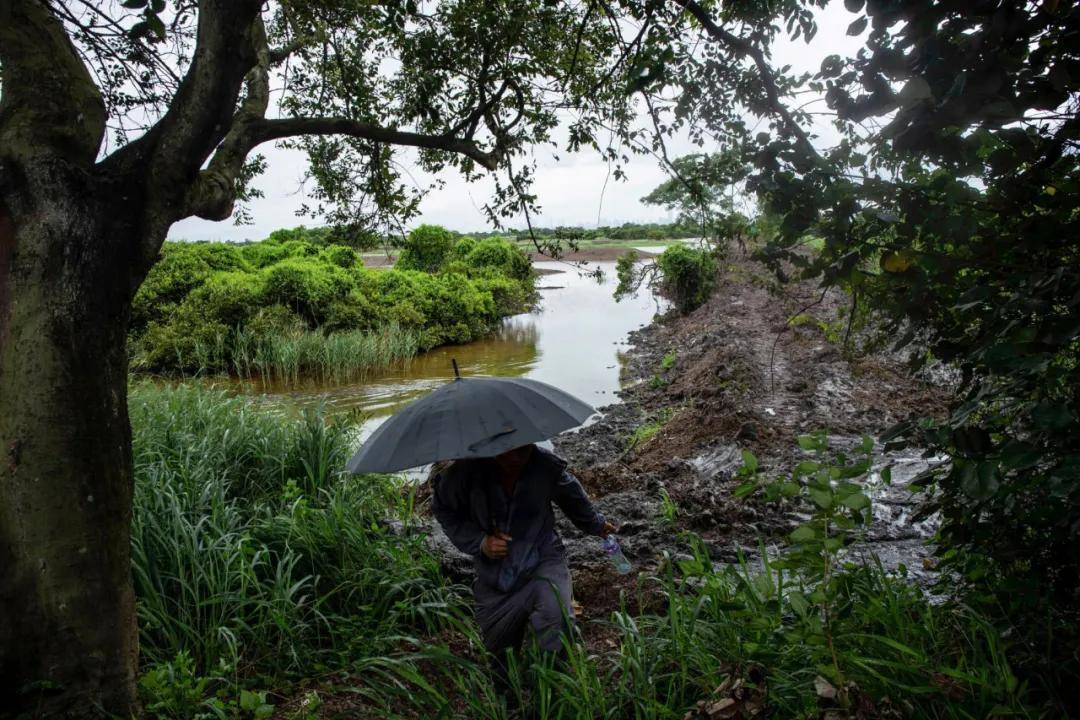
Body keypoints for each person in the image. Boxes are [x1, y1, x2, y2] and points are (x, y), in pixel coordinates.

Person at [430, 442, 614, 690]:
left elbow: (574, 500)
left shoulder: (545, 466)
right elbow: (444, 510)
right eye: (506, 449)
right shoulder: (464, 474)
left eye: (523, 449)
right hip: (494, 576)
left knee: (557, 616)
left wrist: (598, 526)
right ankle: (510, 698)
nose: (516, 457)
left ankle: (550, 690)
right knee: (500, 657)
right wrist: (481, 542)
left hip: (543, 558)